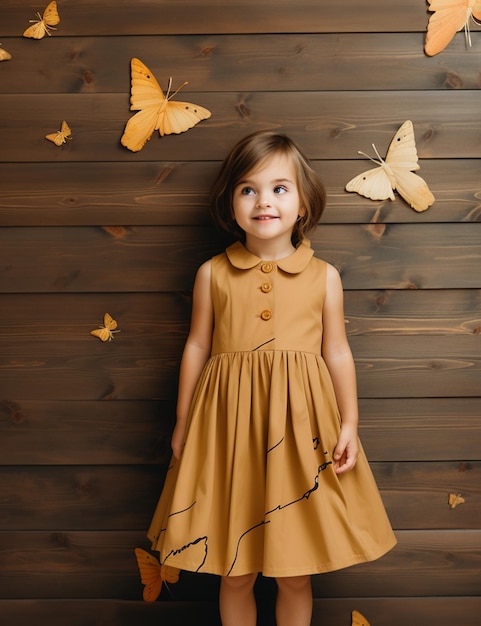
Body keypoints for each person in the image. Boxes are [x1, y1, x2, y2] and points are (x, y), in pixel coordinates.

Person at [147, 130, 396, 625]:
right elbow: (197, 346)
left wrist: (350, 422)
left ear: (303, 203)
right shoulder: (212, 274)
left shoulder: (324, 276)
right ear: (231, 204)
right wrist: (183, 421)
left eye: (280, 188)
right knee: (234, 570)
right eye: (248, 189)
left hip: (300, 433)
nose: (264, 201)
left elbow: (337, 352)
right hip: (227, 432)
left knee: (294, 572)